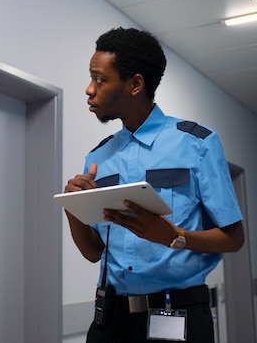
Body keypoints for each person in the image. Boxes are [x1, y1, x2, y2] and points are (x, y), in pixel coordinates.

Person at [64, 27, 244, 343]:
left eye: (100, 79)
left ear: (135, 84)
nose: (89, 90)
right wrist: (73, 208)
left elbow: (233, 238)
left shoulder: (197, 143)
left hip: (178, 315)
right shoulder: (98, 156)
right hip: (112, 321)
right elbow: (93, 253)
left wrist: (175, 237)